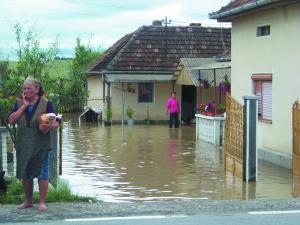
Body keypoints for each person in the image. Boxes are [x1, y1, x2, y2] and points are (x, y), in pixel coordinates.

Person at [8, 77, 60, 211]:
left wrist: (54, 124)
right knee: (26, 173)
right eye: (24, 88)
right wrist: (24, 106)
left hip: (41, 143)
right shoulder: (18, 102)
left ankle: (42, 202)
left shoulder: (45, 102)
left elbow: (56, 117)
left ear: (37, 89)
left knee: (42, 172)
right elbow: (11, 120)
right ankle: (28, 201)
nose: (25, 91)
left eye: (28, 88)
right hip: (24, 143)